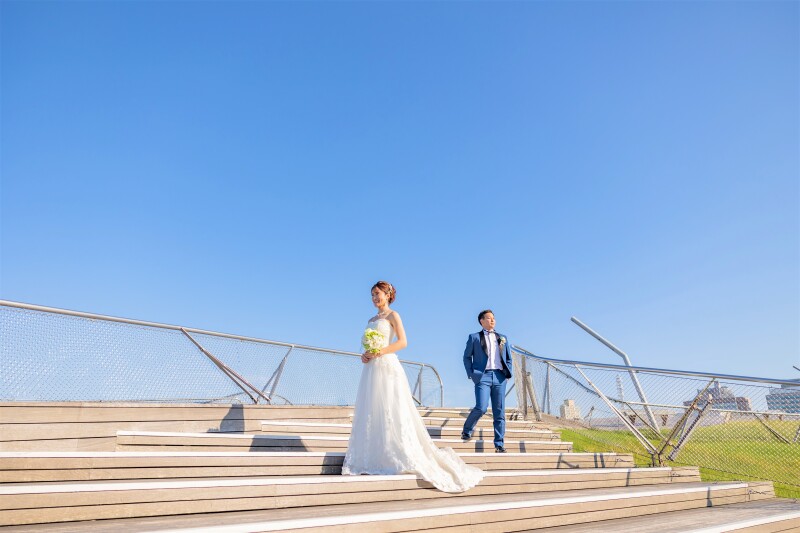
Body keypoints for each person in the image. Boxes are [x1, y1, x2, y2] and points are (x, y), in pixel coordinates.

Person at [342, 281, 484, 493]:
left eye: (378, 294)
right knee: (372, 409)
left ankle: (397, 454)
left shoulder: (393, 316)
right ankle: (375, 455)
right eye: (372, 295)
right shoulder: (371, 320)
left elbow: (403, 342)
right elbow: (368, 345)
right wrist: (366, 354)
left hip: (387, 365)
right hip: (371, 368)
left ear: (388, 295)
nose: (374, 298)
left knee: (392, 409)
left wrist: (380, 352)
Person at [461, 309, 513, 453]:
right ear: (481, 321)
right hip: (482, 376)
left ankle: (499, 444)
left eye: (493, 318)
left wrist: (508, 373)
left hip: (499, 377)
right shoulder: (474, 337)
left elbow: (508, 357)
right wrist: (471, 373)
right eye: (489, 318)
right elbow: (466, 357)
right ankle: (467, 429)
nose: (492, 320)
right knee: (482, 407)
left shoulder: (503, 338)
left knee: (499, 412)